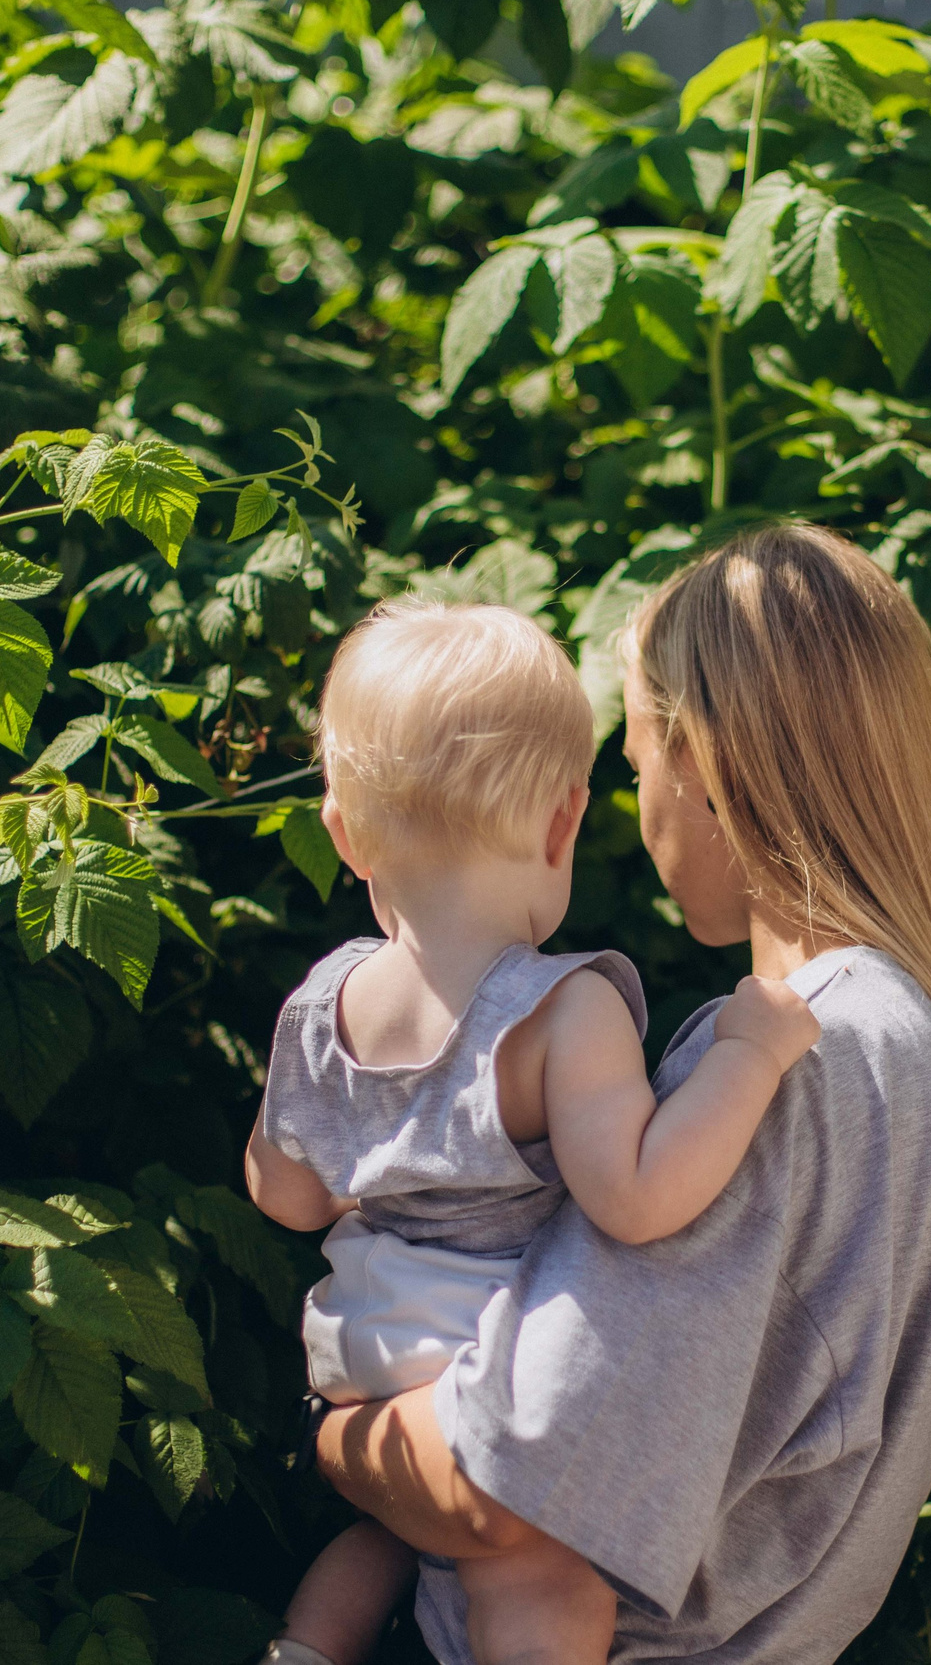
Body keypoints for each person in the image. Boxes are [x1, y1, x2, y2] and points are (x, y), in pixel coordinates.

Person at [309, 523, 931, 1662]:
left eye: (635, 765)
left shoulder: (778, 1065)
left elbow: (509, 1483)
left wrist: (334, 1431)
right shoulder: (924, 1045)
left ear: (701, 765)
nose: (634, 805)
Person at [243, 599, 823, 1665]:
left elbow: (285, 1195)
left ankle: (304, 1650)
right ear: (563, 823)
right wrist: (749, 1055)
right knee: (545, 1581)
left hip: (359, 1347)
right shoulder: (561, 1010)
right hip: (478, 1361)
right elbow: (639, 1197)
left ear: (343, 833)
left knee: (386, 1531)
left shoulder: (320, 1004)